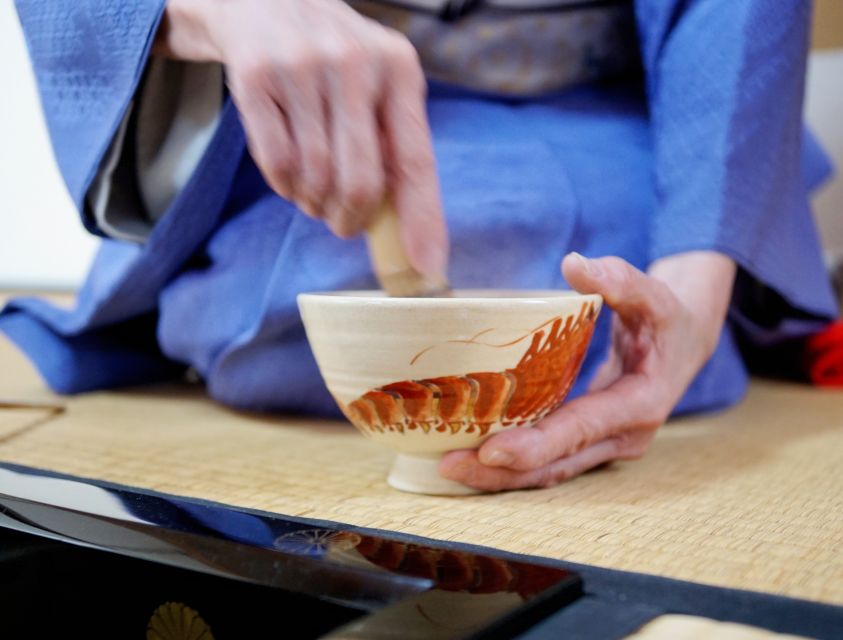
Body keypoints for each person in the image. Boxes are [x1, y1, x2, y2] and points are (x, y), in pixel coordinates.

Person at [2, 0, 837, 492]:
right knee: (331, 264)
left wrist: (697, 271)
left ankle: (693, 334)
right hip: (302, 87)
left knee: (517, 241)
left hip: (609, 105)